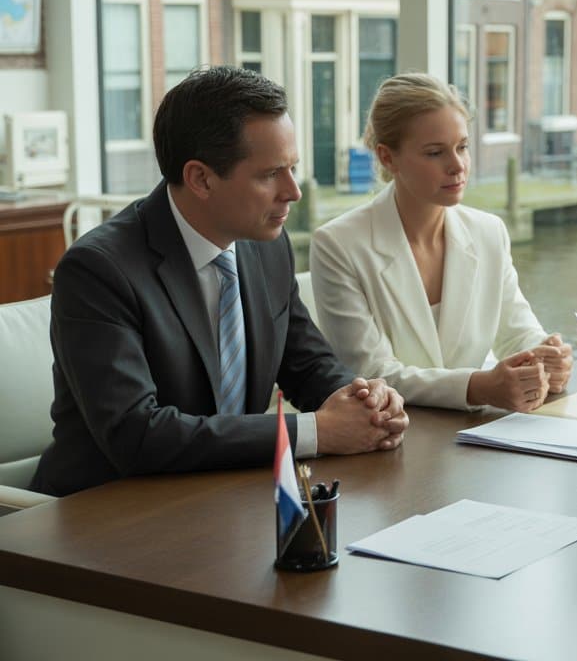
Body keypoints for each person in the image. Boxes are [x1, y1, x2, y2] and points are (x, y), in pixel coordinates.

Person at [32, 67, 408, 497]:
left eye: (292, 169)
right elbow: (137, 435)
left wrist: (367, 401)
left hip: (224, 499)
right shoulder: (97, 271)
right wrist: (316, 432)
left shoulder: (266, 244)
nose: (293, 192)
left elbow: (306, 363)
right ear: (201, 178)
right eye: (270, 175)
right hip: (105, 514)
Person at [310, 72, 572, 412]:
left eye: (462, 147)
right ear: (387, 157)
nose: (457, 166)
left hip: (483, 439)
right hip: (392, 440)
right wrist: (478, 387)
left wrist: (545, 356)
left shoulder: (489, 232)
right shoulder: (338, 245)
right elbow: (371, 373)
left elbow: (517, 332)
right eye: (435, 153)